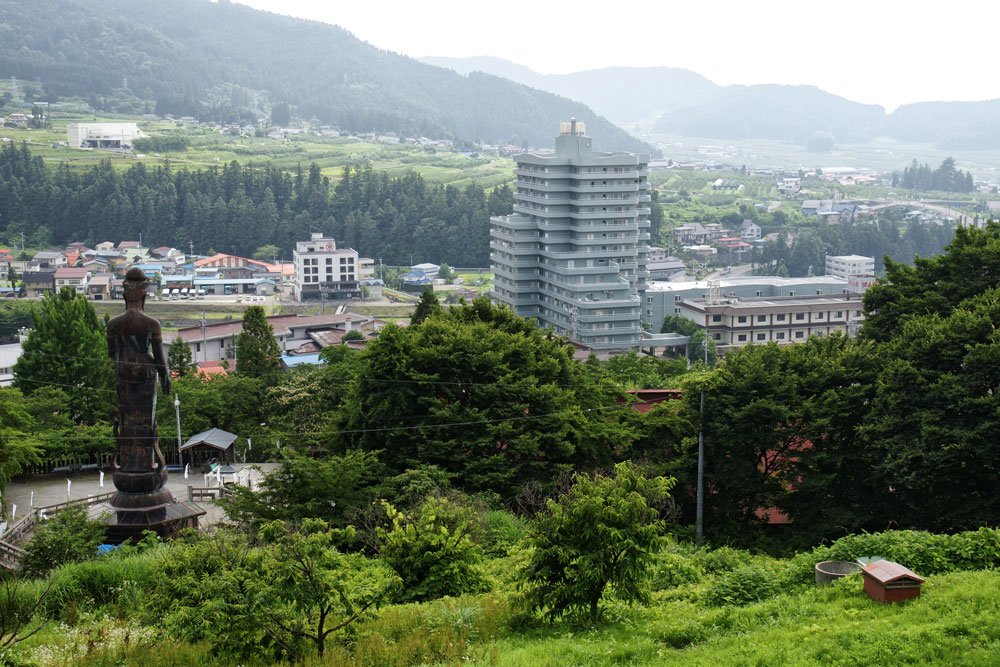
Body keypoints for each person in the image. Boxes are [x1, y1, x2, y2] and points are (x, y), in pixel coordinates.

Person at [106, 268, 171, 499]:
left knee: (127, 419)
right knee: (146, 420)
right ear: (144, 294)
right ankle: (147, 464)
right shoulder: (151, 323)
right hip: (146, 370)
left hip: (123, 370)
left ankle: (128, 465)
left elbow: (111, 353)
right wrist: (165, 376)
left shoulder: (114, 323)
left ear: (125, 294)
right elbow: (160, 357)